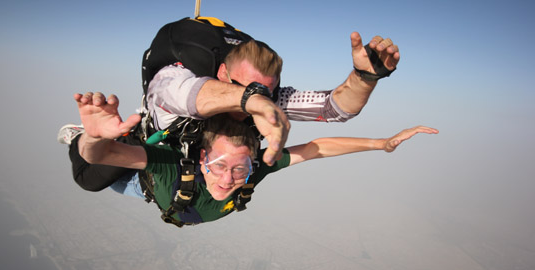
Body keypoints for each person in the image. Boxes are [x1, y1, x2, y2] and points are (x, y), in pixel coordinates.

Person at [60, 21, 400, 167]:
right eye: (246, 85)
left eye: (265, 89)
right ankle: (81, 135)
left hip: (204, 169)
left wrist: (365, 77)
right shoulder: (175, 77)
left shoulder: (267, 96)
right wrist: (253, 101)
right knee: (94, 175)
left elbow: (334, 109)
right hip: (148, 149)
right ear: (222, 73)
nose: (258, 96)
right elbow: (187, 95)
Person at [72, 92, 438, 226]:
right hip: (137, 181)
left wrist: (383, 144)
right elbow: (105, 155)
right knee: (90, 178)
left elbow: (317, 148)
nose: (230, 179)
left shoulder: (253, 170)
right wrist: (92, 137)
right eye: (219, 166)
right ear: (201, 160)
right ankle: (73, 135)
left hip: (166, 199)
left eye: (241, 168)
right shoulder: (170, 162)